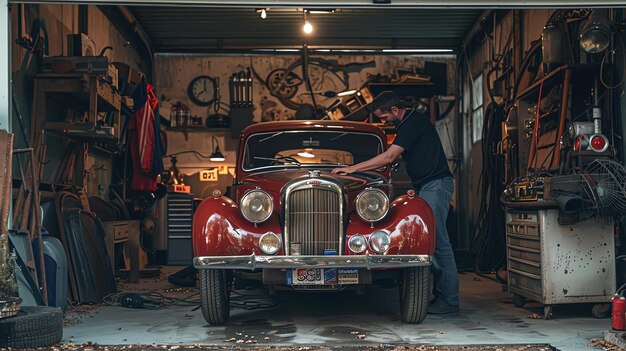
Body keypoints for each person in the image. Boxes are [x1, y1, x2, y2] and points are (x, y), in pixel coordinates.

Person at [332, 91, 459, 314]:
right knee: (434, 241)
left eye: (383, 118)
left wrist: (352, 168)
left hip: (435, 185)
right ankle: (442, 296)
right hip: (427, 185)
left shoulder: (412, 123)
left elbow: (389, 157)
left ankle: (449, 300)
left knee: (438, 241)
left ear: (394, 110)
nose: (383, 122)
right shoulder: (407, 124)